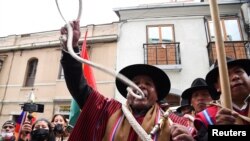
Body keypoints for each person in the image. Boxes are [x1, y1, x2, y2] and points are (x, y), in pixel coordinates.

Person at [60, 20, 195, 141]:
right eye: (135, 83)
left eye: (148, 83)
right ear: (128, 92)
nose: (141, 86)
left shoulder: (177, 124)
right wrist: (70, 49)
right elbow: (79, 87)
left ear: (157, 94)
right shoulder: (107, 110)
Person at [194, 57, 250, 141]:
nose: (235, 77)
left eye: (238, 71)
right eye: (226, 75)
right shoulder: (206, 117)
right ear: (217, 87)